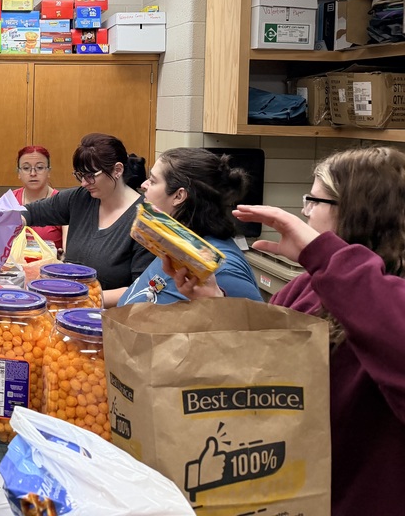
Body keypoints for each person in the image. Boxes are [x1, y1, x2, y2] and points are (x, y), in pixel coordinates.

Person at [166, 146, 405, 516]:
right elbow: (260, 358)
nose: (305, 211)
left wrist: (323, 254)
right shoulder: (310, 286)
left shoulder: (384, 297)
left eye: (314, 199)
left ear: (356, 209)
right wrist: (214, 301)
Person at [21, 132, 154, 307]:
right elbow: (29, 212)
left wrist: (84, 298)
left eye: (91, 175)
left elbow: (143, 289)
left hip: (111, 321)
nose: (84, 183)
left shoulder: (145, 221)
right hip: (68, 310)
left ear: (117, 170)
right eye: (80, 175)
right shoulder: (80, 199)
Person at [118, 147, 261, 306]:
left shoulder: (222, 269)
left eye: (153, 181)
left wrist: (216, 299)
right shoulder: (178, 241)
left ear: (179, 196)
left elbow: (260, 327)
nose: (144, 185)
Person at [12, 145, 66, 253]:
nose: (33, 174)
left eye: (40, 168)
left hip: (49, 267)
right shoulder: (9, 201)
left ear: (49, 171)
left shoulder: (62, 203)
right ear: (19, 173)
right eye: (26, 168)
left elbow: (68, 251)